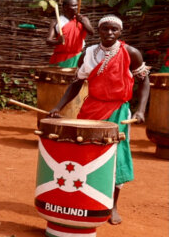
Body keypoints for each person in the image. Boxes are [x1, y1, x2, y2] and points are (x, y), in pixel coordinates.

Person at [47, 15, 151, 225]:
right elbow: (77, 83)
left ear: (120, 32)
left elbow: (145, 82)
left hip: (118, 112)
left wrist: (140, 111)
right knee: (85, 154)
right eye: (105, 29)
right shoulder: (89, 53)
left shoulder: (131, 53)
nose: (109, 33)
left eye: (114, 29)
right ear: (99, 30)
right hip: (91, 109)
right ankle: (84, 199)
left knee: (117, 157)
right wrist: (59, 106)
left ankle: (112, 206)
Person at [45, 0, 93, 68]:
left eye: (76, 5)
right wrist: (58, 42)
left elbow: (92, 32)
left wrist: (81, 21)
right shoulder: (56, 21)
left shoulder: (83, 19)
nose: (76, 7)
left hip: (77, 57)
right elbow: (48, 40)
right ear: (65, 8)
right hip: (60, 57)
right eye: (73, 5)